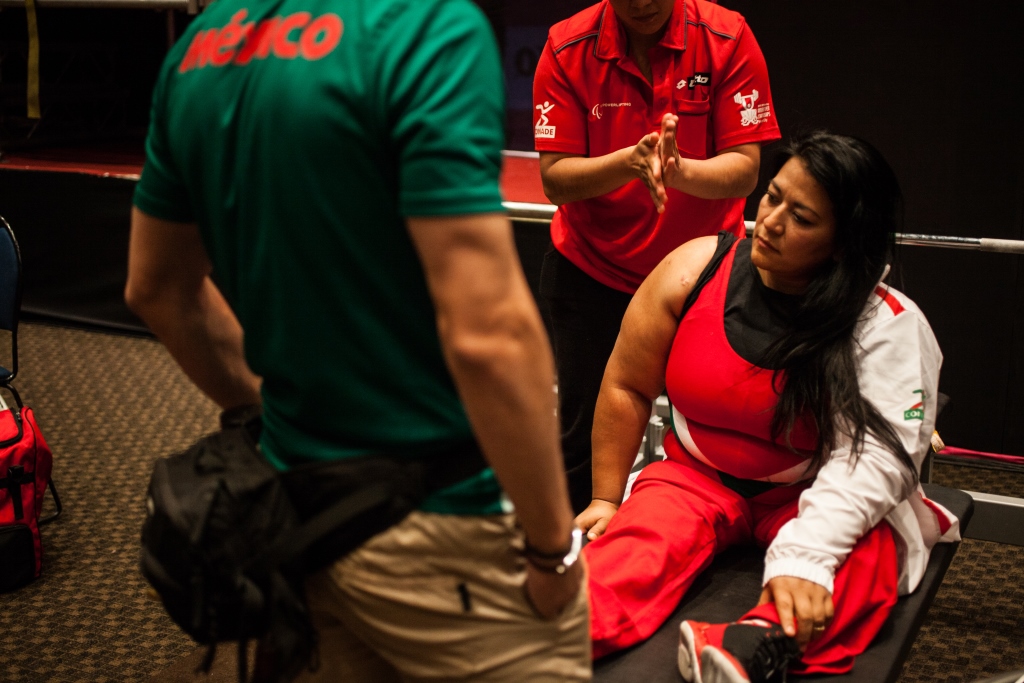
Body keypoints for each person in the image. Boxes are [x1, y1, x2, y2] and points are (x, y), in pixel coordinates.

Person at [125, 0, 590, 680]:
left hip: (302, 510)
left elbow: (157, 289)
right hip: (450, 525)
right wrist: (554, 547)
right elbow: (487, 332)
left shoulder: (198, 50)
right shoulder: (424, 27)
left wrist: (287, 412)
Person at [575, 132, 961, 680]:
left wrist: (806, 559)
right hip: (692, 479)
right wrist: (604, 498)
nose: (773, 221)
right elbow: (627, 385)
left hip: (810, 491)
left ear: (843, 243)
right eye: (773, 197)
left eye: (801, 217)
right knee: (631, 552)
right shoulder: (694, 268)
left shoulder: (885, 322)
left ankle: (751, 645)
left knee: (871, 549)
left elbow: (873, 463)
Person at [532, 0, 782, 513]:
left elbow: (745, 169)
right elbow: (556, 179)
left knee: (723, 438)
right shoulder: (565, 46)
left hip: (703, 278)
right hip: (592, 271)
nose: (640, 3)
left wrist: (676, 171)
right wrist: (630, 163)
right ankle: (575, 575)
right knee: (583, 443)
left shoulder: (726, 37)